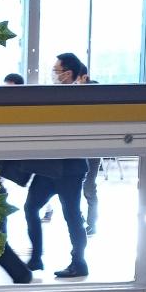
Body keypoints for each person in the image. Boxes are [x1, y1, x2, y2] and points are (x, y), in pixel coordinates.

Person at [47, 53, 99, 235]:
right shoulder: (59, 95)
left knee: (88, 188)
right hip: (71, 157)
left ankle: (91, 224)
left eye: (56, 71)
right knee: (73, 201)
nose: (53, 74)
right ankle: (82, 223)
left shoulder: (88, 94)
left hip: (88, 154)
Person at [24, 158, 90, 279]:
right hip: (48, 168)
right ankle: (36, 259)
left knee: (72, 215)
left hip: (68, 169)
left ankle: (79, 263)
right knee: (31, 208)